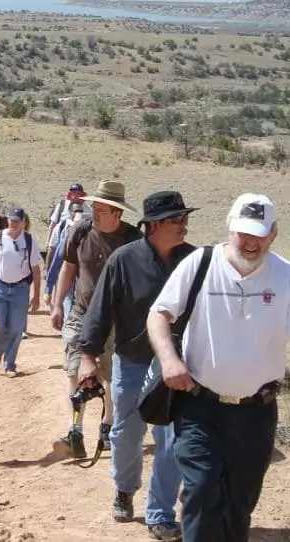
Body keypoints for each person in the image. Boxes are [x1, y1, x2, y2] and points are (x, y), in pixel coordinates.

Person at [147, 193, 290, 542]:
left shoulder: (287, 277)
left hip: (256, 414)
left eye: (259, 234)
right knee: (200, 491)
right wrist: (170, 360)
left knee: (239, 504)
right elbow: (159, 313)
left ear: (273, 234)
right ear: (230, 229)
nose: (250, 242)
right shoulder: (201, 263)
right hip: (199, 405)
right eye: (243, 233)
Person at [79, 191, 199, 540]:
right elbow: (100, 310)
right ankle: (124, 487)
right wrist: (88, 355)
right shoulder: (123, 260)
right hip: (131, 361)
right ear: (154, 225)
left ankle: (160, 513)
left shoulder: (193, 261)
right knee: (127, 433)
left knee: (171, 438)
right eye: (177, 219)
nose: (184, 225)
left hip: (175, 366)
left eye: (185, 218)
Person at [50, 180, 141, 459]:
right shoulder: (81, 230)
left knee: (109, 374)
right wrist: (56, 304)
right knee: (75, 370)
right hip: (80, 312)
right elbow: (69, 266)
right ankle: (75, 431)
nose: (95, 212)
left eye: (101, 208)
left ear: (117, 213)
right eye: (95, 207)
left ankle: (108, 425)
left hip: (117, 319)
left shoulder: (133, 240)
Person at [0, 207, 42, 377]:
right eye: (11, 219)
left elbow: (36, 271)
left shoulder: (29, 241)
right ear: (6, 220)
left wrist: (36, 296)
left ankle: (10, 365)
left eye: (17, 220)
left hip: (20, 290)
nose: (13, 223)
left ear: (23, 222)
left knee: (16, 328)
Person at [44, 201, 84, 309]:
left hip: (83, 284)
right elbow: (55, 258)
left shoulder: (87, 231)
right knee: (65, 313)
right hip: (66, 280)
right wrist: (48, 289)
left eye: (81, 211)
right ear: (70, 212)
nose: (78, 214)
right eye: (76, 211)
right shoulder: (63, 229)